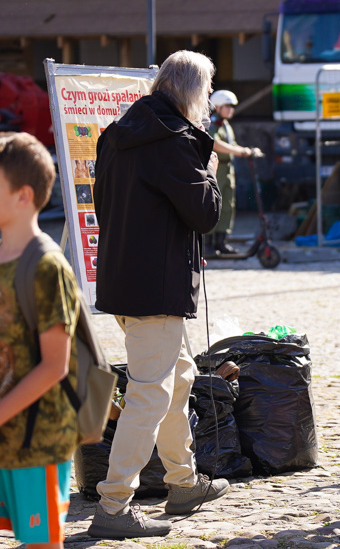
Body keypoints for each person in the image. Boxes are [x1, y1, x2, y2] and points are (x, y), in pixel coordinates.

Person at [87, 51, 229, 539]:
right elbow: (206, 214)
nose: (209, 102)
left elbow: (112, 207)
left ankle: (183, 481)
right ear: (191, 90)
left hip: (124, 280)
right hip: (156, 289)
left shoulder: (118, 133)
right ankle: (113, 505)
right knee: (151, 393)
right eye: (208, 92)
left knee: (180, 376)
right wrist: (208, 166)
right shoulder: (174, 141)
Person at [0, 133, 80, 549]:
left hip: (38, 438)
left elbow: (55, 365)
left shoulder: (47, 265)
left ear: (22, 196)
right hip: (5, 436)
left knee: (42, 543)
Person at [206, 90, 261, 256]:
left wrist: (246, 150)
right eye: (227, 106)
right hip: (217, 167)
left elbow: (232, 144)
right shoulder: (213, 124)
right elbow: (214, 143)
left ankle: (221, 241)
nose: (231, 109)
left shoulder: (227, 126)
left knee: (228, 205)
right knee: (213, 204)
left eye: (232, 106)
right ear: (218, 107)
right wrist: (242, 152)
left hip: (228, 167)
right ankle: (208, 242)